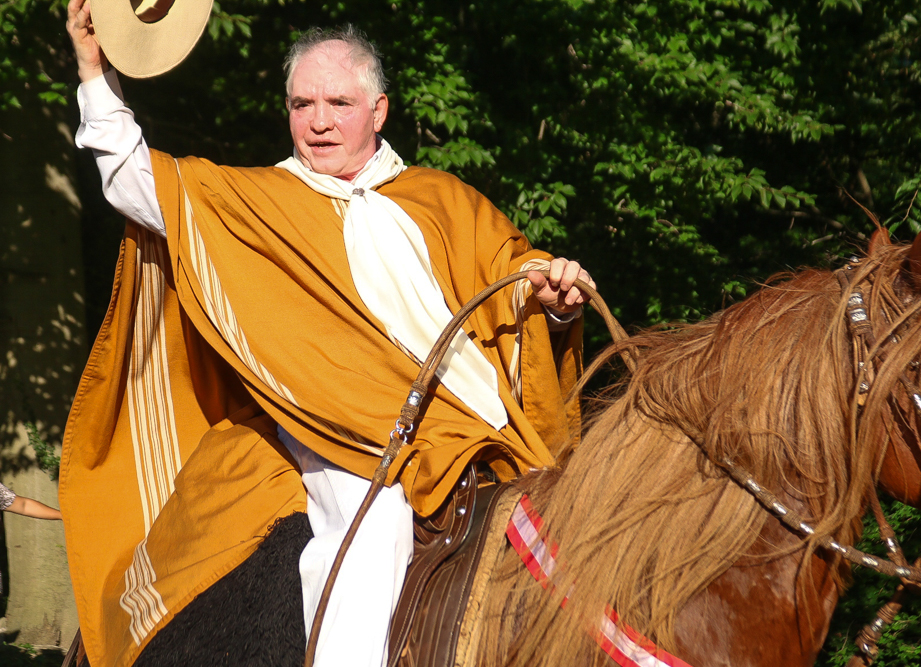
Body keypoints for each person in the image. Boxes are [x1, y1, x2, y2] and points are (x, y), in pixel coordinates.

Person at [64, 2, 593, 666]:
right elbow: (137, 182)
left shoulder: (444, 199)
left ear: (378, 112)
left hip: (462, 428)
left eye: (338, 102)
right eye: (301, 102)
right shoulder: (263, 202)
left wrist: (555, 297)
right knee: (371, 528)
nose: (317, 121)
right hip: (333, 431)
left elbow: (516, 278)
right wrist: (94, 73)